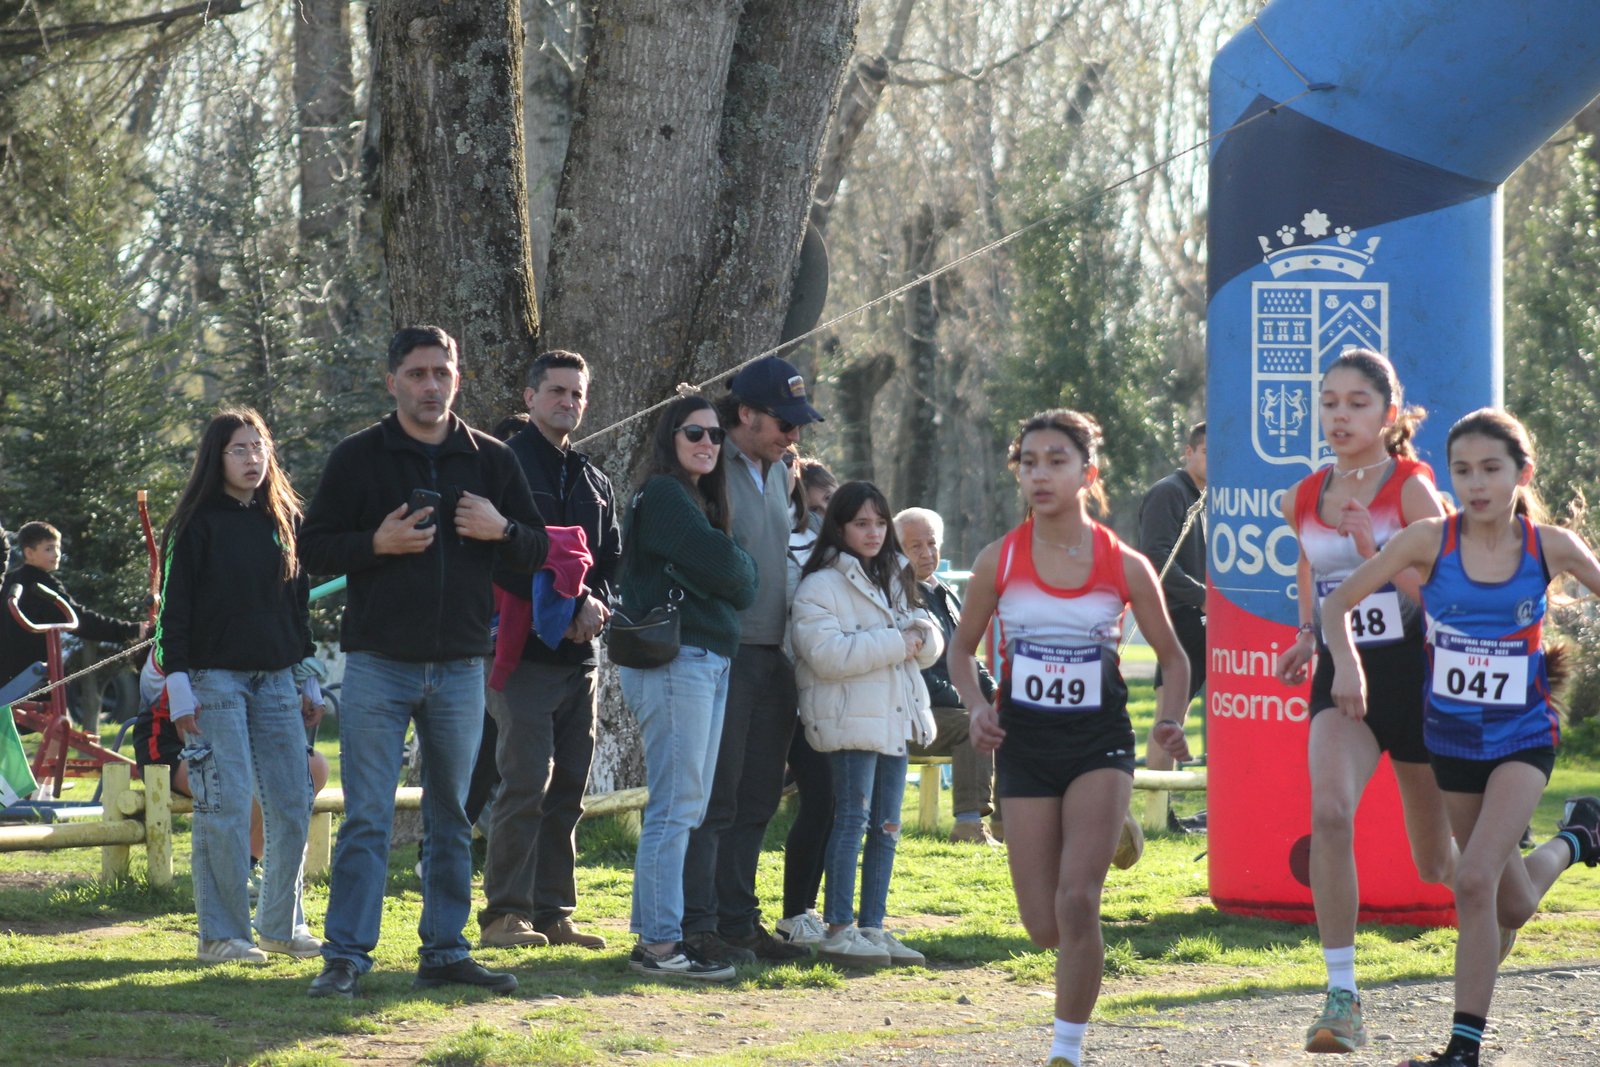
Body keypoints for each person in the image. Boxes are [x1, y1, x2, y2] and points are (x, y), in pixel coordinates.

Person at [1321, 407, 1600, 1067]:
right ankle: (1579, 836)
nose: (1476, 483)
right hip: (1450, 742)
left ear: (1521, 473)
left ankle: (1461, 1050)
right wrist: (1348, 660)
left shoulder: (1549, 546)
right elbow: (1337, 603)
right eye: (1463, 470)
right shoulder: (1427, 539)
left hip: (1522, 738)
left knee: (1471, 877)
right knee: (1511, 900)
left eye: (1490, 469)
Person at [300, 325, 548, 999]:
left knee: (450, 816)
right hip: (380, 664)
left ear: (457, 380)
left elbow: (536, 551)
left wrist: (502, 530)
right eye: (417, 373)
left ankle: (444, 949)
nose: (431, 385)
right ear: (392, 381)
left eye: (442, 372)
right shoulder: (359, 457)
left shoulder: (493, 460)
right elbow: (314, 546)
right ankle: (345, 954)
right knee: (368, 816)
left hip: (463, 666)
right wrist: (376, 543)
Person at [947, 409, 1192, 1067]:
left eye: (1056, 459)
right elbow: (961, 649)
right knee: (1042, 924)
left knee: (1079, 901)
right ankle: (1114, 833)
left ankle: (1067, 1050)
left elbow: (1174, 659)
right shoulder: (997, 560)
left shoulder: (1124, 563)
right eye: (1028, 461)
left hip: (1098, 744)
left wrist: (1169, 722)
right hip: (1025, 744)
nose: (1040, 472)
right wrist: (974, 706)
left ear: (1088, 472)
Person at [1271, 350, 1456, 1054]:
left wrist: (1373, 548)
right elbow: (1309, 567)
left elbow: (1443, 595)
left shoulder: (1412, 486)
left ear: (1388, 410)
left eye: (1355, 402)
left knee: (1436, 863)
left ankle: (1561, 845)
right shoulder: (1308, 490)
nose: (1339, 415)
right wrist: (1305, 637)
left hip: (1416, 674)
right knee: (1329, 811)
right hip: (1343, 676)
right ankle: (1341, 993)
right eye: (1328, 402)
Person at [149, 408, 326, 964]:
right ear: (215, 458)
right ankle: (222, 935)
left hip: (277, 680)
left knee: (294, 798)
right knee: (224, 804)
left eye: (258, 447)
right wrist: (177, 682)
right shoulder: (194, 524)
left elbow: (296, 609)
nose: (252, 459)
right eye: (238, 450)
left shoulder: (285, 520)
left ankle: (280, 924)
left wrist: (306, 673)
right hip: (211, 680)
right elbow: (171, 615)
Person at [680, 356, 822, 966]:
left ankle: (739, 921)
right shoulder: (709, 470)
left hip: (775, 657)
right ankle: (698, 923)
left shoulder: (783, 472)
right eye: (782, 421)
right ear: (744, 414)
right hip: (724, 653)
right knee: (717, 798)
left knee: (760, 796)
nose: (794, 433)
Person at [478, 350, 620, 951]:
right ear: (530, 396)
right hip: (519, 653)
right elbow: (495, 556)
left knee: (569, 790)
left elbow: (613, 566)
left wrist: (593, 607)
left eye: (578, 394)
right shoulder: (501, 469)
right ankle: (503, 915)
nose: (568, 402)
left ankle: (553, 911)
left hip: (579, 660)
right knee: (525, 783)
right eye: (557, 391)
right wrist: (558, 611)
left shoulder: (594, 480)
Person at [618, 394, 757, 981]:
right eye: (693, 433)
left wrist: (735, 570)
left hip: (707, 659)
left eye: (715, 435)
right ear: (669, 439)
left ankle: (658, 936)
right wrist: (736, 568)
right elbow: (737, 576)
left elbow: (736, 577)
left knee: (686, 804)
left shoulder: (699, 500)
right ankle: (658, 946)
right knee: (676, 806)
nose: (707, 443)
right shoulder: (667, 495)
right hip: (678, 662)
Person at [791, 481, 942, 967]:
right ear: (839, 526)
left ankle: (872, 927)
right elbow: (827, 655)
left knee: (887, 826)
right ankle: (839, 928)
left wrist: (916, 636)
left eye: (880, 522)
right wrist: (900, 641)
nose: (874, 532)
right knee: (851, 821)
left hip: (894, 717)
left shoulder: (894, 575)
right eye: (862, 523)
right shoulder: (819, 586)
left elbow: (927, 639)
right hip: (849, 718)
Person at [895, 506, 1002, 845]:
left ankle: (1010, 826)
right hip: (911, 712)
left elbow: (967, 653)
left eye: (932, 543)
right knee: (976, 726)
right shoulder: (898, 597)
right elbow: (919, 674)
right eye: (915, 546)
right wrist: (972, 702)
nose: (927, 553)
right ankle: (969, 827)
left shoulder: (945, 593)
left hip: (949, 707)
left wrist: (995, 694)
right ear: (897, 551)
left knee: (1015, 721)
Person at [777, 452, 838, 945]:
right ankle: (794, 910)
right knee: (817, 799)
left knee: (826, 801)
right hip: (781, 683)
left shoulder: (827, 542)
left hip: (821, 691)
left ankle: (805, 909)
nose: (824, 510)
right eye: (820, 500)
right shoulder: (784, 537)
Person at [1137, 422, 1208, 832]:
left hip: (1201, 614)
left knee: (1178, 712)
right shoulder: (1169, 492)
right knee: (1170, 711)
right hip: (1179, 615)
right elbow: (1155, 559)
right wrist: (1201, 595)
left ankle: (1167, 810)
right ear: (1188, 452)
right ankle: (1157, 814)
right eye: (1206, 452)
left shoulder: (1209, 498)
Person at [0, 521, 148, 693]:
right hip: (30, 677)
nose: (56, 554)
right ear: (29, 553)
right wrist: (133, 630)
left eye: (57, 548)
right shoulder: (40, 585)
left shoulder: (10, 580)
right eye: (48, 549)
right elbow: (79, 619)